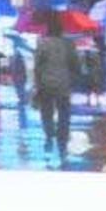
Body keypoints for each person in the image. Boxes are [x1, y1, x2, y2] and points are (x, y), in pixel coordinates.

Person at [33, 12, 75, 164]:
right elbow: (75, 65)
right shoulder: (69, 44)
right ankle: (62, 140)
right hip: (64, 84)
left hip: (46, 84)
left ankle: (50, 135)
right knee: (64, 114)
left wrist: (36, 86)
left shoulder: (42, 43)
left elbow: (37, 67)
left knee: (47, 112)